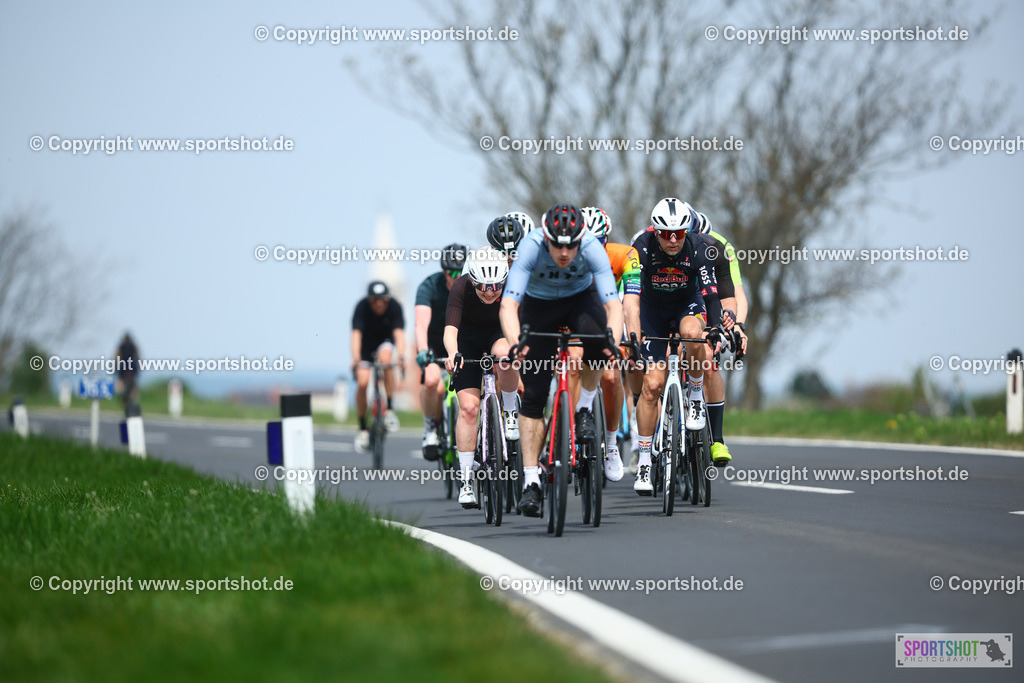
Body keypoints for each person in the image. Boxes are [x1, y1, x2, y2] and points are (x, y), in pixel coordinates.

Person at [500, 203, 623, 517]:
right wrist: (516, 345)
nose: (565, 251)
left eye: (572, 244)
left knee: (599, 344)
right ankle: (531, 482)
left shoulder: (592, 248)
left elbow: (613, 306)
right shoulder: (530, 247)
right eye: (557, 244)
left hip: (579, 302)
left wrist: (614, 343)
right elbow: (509, 305)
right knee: (535, 396)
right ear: (546, 239)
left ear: (581, 239)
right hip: (538, 308)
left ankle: (584, 409)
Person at [626, 197, 723, 494]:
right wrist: (630, 335)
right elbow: (629, 296)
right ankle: (644, 460)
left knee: (694, 333)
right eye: (665, 233)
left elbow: (711, 294)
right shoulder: (640, 247)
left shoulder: (698, 248)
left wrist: (716, 327)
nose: (672, 239)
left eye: (678, 233)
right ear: (654, 231)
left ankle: (695, 395)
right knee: (651, 386)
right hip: (652, 311)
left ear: (687, 231)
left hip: (686, 304)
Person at [444, 247, 521, 507]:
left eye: (496, 287)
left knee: (504, 354)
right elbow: (450, 329)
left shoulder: (513, 283)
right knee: (468, 408)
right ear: (474, 281)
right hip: (468, 340)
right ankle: (466, 481)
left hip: (498, 333)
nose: (490, 292)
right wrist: (453, 354)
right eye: (483, 287)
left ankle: (509, 411)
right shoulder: (461, 287)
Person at [694, 211, 748, 466]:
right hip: (679, 307)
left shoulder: (719, 248)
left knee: (708, 360)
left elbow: (735, 294)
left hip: (710, 304)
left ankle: (717, 439)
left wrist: (738, 325)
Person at [414, 243, 467, 460]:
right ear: (444, 271)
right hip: (435, 343)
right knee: (431, 380)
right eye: (452, 273)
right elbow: (420, 324)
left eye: (461, 272)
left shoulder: (472, 285)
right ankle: (430, 430)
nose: (456, 277)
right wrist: (423, 352)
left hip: (462, 341)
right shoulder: (429, 286)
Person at [351, 281, 405, 452]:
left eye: (383, 300)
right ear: (369, 300)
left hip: (385, 342)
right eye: (375, 300)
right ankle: (362, 427)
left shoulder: (395, 307)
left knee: (386, 359)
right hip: (366, 347)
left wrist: (402, 357)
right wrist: (356, 358)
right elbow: (356, 336)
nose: (380, 303)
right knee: (362, 381)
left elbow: (399, 335)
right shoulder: (361, 308)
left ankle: (389, 409)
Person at [115, 332, 139, 406]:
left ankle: (126, 398)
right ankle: (130, 398)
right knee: (131, 386)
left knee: (125, 386)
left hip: (125, 369)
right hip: (130, 369)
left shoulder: (122, 347)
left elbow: (117, 357)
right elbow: (137, 357)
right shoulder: (133, 347)